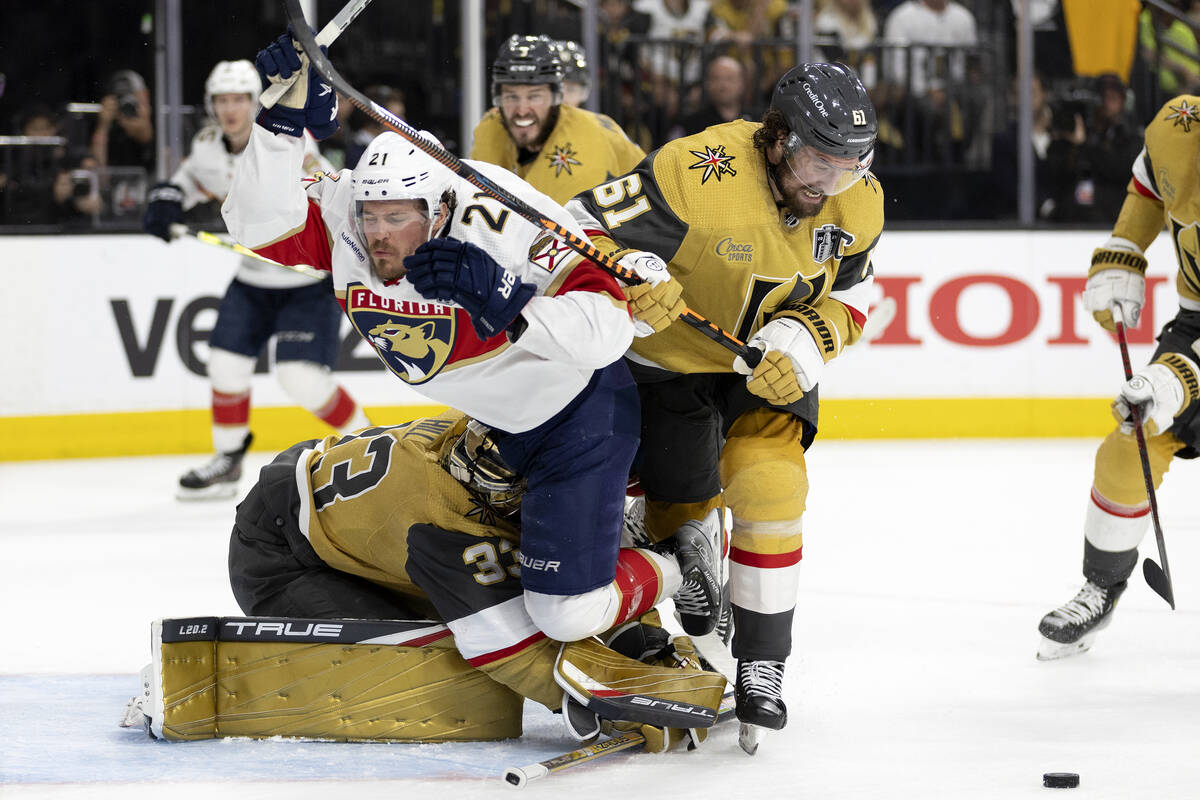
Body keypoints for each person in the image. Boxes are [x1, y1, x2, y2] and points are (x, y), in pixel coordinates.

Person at [223, 31, 722, 649]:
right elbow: (254, 223)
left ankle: (678, 558)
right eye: (370, 218)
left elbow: (608, 331)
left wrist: (511, 304)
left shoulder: (503, 216)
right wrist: (279, 124)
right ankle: (622, 536)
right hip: (492, 426)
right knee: (514, 576)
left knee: (563, 614)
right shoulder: (352, 211)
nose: (378, 237)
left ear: (439, 211)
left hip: (577, 418)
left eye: (398, 217)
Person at [568, 63, 883, 746]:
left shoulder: (858, 203)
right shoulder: (697, 171)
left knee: (770, 482)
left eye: (847, 168)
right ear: (775, 137)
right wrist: (630, 273)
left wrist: (809, 336)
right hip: (672, 362)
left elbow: (856, 296)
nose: (827, 186)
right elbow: (576, 230)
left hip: (770, 364)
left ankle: (763, 665)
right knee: (678, 516)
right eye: (814, 162)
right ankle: (690, 552)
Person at [224, 409, 728, 745]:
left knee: (546, 573)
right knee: (431, 669)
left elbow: (580, 575)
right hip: (279, 554)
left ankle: (666, 573)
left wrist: (645, 644)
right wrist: (605, 697)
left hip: (350, 504)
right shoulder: (436, 517)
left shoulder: (504, 444)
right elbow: (510, 646)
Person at [142, 59, 370, 500]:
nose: (230, 109)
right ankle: (227, 461)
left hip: (307, 281)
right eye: (222, 100)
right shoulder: (208, 145)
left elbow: (324, 185)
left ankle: (369, 445)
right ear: (212, 106)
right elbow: (189, 179)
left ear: (254, 102)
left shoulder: (286, 142)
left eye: (239, 100)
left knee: (300, 377)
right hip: (252, 280)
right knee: (226, 364)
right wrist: (167, 198)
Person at [1036, 92, 1200, 661]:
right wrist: (1124, 249)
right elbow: (1151, 184)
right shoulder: (1182, 126)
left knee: (1154, 404)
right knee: (1130, 446)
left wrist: (1172, 380)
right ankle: (1101, 586)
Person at [469, 35, 645, 205]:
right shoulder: (490, 125)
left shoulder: (584, 141)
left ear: (556, 98)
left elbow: (546, 230)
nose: (522, 111)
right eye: (511, 96)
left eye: (534, 96)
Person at [667, 55, 751, 139]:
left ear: (742, 83)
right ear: (707, 83)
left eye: (730, 78)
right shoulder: (690, 125)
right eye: (716, 78)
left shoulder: (756, 121)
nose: (723, 85)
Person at [90, 69, 155, 174]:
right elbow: (97, 171)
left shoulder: (164, 121)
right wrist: (103, 126)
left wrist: (145, 124)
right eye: (121, 97)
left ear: (146, 95)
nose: (127, 102)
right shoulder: (110, 125)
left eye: (132, 95)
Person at [554, 40, 591, 108]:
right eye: (555, 89)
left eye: (570, 90)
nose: (563, 99)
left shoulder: (595, 119)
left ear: (584, 93)